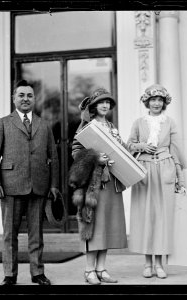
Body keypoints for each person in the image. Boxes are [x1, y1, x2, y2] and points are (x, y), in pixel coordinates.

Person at [0, 80, 60, 285]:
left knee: (36, 235)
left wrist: (54, 186)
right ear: (14, 99)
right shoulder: (2, 123)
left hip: (38, 186)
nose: (25, 99)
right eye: (21, 95)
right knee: (9, 235)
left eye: (29, 95)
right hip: (10, 186)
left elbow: (53, 158)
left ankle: (37, 273)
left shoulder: (43, 124)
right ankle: (10, 275)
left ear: (35, 99)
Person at [127, 84, 187, 279]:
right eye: (153, 99)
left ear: (164, 103)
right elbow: (129, 145)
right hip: (144, 171)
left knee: (163, 217)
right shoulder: (138, 122)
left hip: (165, 169)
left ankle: (160, 264)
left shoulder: (170, 122)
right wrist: (141, 145)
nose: (156, 103)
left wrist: (180, 177)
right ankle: (147, 263)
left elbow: (176, 149)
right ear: (147, 102)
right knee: (146, 217)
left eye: (160, 100)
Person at [69, 87, 127, 285]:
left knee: (108, 225)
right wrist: (96, 157)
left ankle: (101, 269)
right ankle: (89, 270)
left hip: (112, 182)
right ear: (94, 105)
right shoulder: (86, 127)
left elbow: (121, 151)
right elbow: (76, 152)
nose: (105, 105)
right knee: (92, 225)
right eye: (101, 102)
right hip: (93, 184)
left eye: (108, 102)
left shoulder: (112, 126)